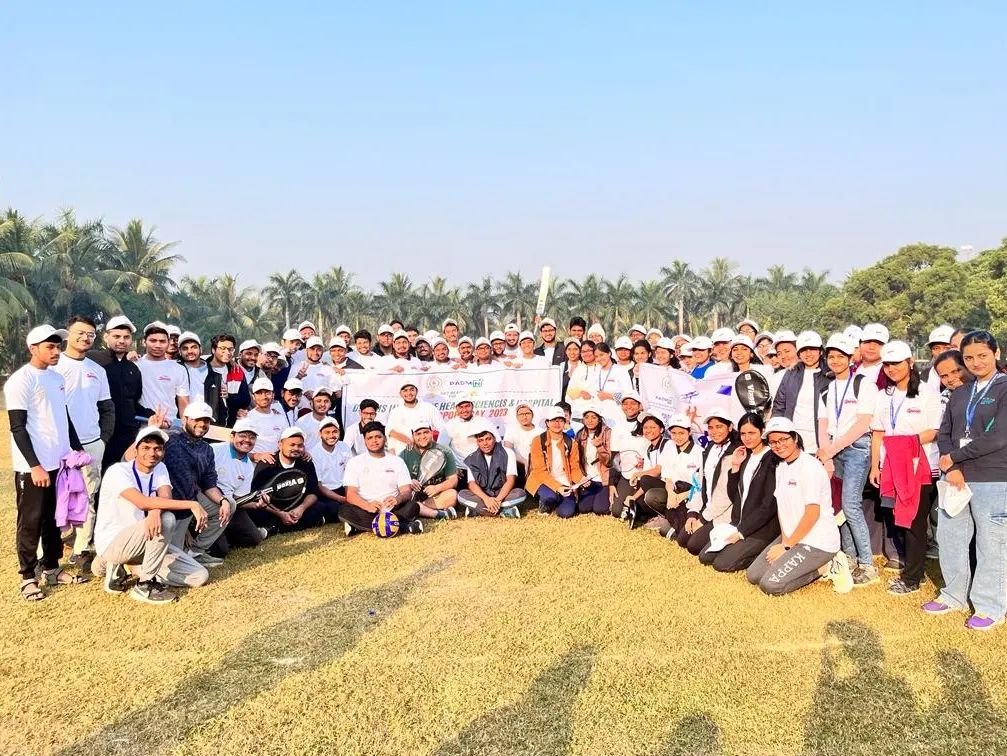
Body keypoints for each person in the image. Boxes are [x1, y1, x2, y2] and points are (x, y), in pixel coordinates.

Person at [929, 331, 1007, 630]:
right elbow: (945, 432)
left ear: (996, 353)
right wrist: (951, 465)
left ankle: (989, 606)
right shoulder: (961, 392)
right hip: (957, 477)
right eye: (970, 357)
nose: (975, 362)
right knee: (951, 538)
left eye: (982, 355)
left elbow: (999, 436)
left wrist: (956, 457)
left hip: (993, 477)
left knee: (992, 544)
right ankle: (953, 596)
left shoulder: (1003, 387)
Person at [7, 324, 87, 601]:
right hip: (34, 467)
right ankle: (28, 576)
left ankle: (51, 567)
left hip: (60, 463)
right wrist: (35, 465)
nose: (56, 351)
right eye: (50, 347)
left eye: (57, 346)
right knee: (30, 521)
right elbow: (17, 427)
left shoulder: (55, 378)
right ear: (33, 349)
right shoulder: (21, 380)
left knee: (55, 518)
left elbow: (63, 415)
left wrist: (77, 449)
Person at [91, 426, 210, 604]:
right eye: (146, 448)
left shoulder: (160, 468)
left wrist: (154, 511)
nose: (152, 453)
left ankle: (128, 566)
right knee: (167, 519)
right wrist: (191, 503)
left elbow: (165, 497)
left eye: (157, 448)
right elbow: (141, 501)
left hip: (146, 538)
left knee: (199, 576)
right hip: (114, 541)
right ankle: (145, 584)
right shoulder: (118, 471)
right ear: (136, 449)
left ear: (163, 452)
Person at [869, 340, 941, 596]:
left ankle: (913, 577)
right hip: (890, 469)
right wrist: (875, 466)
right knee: (900, 519)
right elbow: (878, 433)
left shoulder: (927, 392)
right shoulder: (882, 395)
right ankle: (912, 570)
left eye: (896, 363)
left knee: (914, 523)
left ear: (910, 363)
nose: (891, 368)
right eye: (887, 364)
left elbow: (933, 431)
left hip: (919, 467)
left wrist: (903, 444)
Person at [746, 417, 850, 596]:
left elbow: (812, 514)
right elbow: (782, 508)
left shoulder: (810, 467)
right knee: (753, 575)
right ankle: (801, 556)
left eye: (783, 439)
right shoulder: (781, 467)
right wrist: (785, 540)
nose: (778, 445)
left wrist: (786, 547)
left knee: (770, 585)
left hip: (817, 542)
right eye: (773, 442)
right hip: (793, 538)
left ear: (795, 438)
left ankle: (827, 566)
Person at [815, 334, 880, 586]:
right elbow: (822, 424)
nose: (835, 361)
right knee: (839, 506)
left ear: (850, 357)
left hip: (856, 448)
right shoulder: (827, 388)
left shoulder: (863, 384)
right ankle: (849, 558)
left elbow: (864, 422)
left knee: (851, 504)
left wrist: (831, 450)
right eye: (831, 356)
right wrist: (825, 452)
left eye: (840, 356)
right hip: (833, 450)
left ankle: (867, 565)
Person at [54, 315, 114, 570]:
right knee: (54, 497)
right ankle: (48, 548)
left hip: (91, 443)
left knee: (88, 496)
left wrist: (102, 439)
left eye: (90, 334)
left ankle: (81, 548)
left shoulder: (97, 370)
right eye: (80, 332)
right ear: (69, 334)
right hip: (57, 444)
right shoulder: (54, 366)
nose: (85, 337)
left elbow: (107, 408)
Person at [698, 413, 781, 572]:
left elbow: (768, 506)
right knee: (705, 556)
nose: (747, 438)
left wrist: (742, 532)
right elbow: (733, 495)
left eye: (752, 433)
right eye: (743, 433)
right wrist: (735, 467)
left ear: (762, 431)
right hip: (738, 523)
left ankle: (760, 551)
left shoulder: (771, 459)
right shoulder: (745, 455)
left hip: (761, 529)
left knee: (722, 564)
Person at [159, 402, 235, 568]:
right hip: (167, 503)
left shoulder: (206, 449)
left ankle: (196, 551)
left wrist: (222, 501)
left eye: (206, 420)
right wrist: (156, 428)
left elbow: (209, 483)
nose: (202, 424)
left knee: (230, 504)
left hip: (191, 498)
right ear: (185, 419)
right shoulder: (169, 439)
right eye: (198, 419)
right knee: (170, 561)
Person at [248, 427, 339, 533]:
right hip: (273, 508)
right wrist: (280, 513)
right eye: (292, 445)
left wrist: (301, 509)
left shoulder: (306, 462)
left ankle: (275, 529)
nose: (296, 448)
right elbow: (257, 496)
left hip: (297, 506)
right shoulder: (267, 463)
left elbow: (313, 492)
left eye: (300, 445)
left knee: (329, 507)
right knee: (255, 513)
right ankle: (307, 522)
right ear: (280, 445)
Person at [341, 421, 423, 536]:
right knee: (344, 510)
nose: (374, 441)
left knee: (413, 506)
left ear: (384, 438)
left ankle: (361, 527)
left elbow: (406, 491)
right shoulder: (354, 462)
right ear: (364, 441)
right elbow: (350, 494)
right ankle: (404, 526)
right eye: (369, 438)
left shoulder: (397, 461)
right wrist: (367, 506)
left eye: (378, 437)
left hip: (393, 510)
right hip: (366, 510)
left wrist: (398, 499)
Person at [677, 412, 739, 555]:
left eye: (719, 427)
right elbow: (700, 484)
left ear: (730, 427)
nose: (714, 431)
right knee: (682, 540)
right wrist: (693, 513)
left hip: (724, 513)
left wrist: (703, 519)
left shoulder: (735, 452)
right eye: (711, 428)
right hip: (707, 508)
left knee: (693, 546)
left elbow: (726, 495)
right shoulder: (710, 448)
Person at [90, 315, 144, 470]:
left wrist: (151, 414)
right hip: (99, 433)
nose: (121, 341)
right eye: (116, 336)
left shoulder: (133, 369)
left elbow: (133, 402)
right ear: (106, 337)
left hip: (127, 434)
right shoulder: (92, 360)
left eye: (126, 337)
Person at [211, 418, 271, 549]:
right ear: (232, 436)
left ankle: (224, 534)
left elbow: (239, 498)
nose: (247, 440)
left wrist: (257, 505)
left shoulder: (249, 466)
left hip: (231, 507)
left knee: (254, 538)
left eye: (252, 437)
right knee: (221, 550)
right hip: (210, 504)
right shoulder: (215, 450)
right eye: (242, 435)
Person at [771, 331, 828, 452]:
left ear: (820, 351)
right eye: (803, 350)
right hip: (793, 440)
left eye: (812, 349)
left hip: (820, 441)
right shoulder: (791, 373)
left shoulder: (829, 375)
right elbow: (779, 406)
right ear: (799, 353)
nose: (808, 354)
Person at [652, 414, 703, 540]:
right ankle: (670, 521)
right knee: (652, 496)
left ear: (689, 432)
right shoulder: (669, 450)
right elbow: (668, 478)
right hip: (675, 494)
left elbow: (700, 485)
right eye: (674, 433)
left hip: (693, 496)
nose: (677, 437)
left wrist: (681, 496)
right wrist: (671, 494)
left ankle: (675, 526)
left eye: (681, 433)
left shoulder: (700, 453)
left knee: (683, 535)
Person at [459, 423, 526, 517]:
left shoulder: (508, 453)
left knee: (520, 493)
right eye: (481, 440)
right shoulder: (472, 457)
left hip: (503, 494)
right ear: (477, 442)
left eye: (488, 439)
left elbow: (511, 480)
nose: (485, 444)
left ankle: (479, 510)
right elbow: (472, 484)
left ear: (494, 439)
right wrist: (486, 499)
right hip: (483, 496)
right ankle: (504, 510)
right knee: (462, 495)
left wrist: (498, 500)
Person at [526, 406, 582, 517]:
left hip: (564, 480)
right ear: (547, 422)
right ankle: (545, 502)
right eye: (553, 420)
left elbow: (574, 467)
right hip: (542, 480)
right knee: (550, 496)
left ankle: (557, 500)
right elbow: (539, 471)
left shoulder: (571, 442)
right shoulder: (538, 441)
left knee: (567, 513)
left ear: (565, 422)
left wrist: (581, 479)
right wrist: (557, 487)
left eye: (560, 420)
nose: (557, 423)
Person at [400, 422, 459, 520]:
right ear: (413, 436)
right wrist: (409, 481)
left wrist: (437, 488)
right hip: (412, 495)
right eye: (418, 434)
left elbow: (453, 480)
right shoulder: (405, 453)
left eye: (426, 432)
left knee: (452, 495)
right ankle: (424, 510)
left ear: (431, 433)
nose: (422, 436)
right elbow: (396, 479)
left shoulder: (444, 451)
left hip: (433, 496)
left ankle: (417, 508)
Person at [620, 413, 670, 528]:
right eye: (646, 427)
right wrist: (633, 498)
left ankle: (666, 516)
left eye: (653, 427)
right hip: (656, 488)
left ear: (662, 429)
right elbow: (647, 478)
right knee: (639, 515)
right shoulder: (649, 449)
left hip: (670, 488)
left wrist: (637, 474)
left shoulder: (668, 444)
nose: (648, 430)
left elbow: (656, 471)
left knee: (645, 479)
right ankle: (653, 514)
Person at [136, 321, 190, 423]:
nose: (158, 345)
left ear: (168, 342)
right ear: (144, 342)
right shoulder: (135, 366)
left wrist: (184, 426)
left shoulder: (179, 369)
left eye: (162, 341)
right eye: (153, 340)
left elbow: (183, 402)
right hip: (142, 423)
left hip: (171, 425)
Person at [572, 406, 613, 516]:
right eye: (587, 417)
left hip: (603, 479)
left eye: (594, 417)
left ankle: (609, 498)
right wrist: (580, 478)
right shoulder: (580, 434)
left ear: (599, 419)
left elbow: (608, 462)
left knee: (600, 510)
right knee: (583, 508)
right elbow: (576, 460)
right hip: (588, 480)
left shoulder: (608, 433)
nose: (590, 420)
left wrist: (599, 447)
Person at [385, 381, 444, 454]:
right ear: (400, 394)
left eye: (412, 390)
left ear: (416, 391)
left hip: (427, 455)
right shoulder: (395, 412)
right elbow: (390, 432)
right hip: (402, 454)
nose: (409, 393)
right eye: (405, 390)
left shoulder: (429, 408)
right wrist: (409, 442)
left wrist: (439, 450)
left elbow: (442, 429)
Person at [310, 416, 353, 515]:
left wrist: (349, 495)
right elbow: (320, 486)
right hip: (327, 492)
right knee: (333, 508)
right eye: (327, 432)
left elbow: (350, 474)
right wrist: (341, 499)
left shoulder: (344, 447)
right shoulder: (314, 453)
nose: (332, 435)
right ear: (320, 434)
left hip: (344, 488)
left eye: (334, 432)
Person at [244, 377, 287, 457]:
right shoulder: (246, 419)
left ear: (273, 395)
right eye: (259, 393)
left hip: (276, 465)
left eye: (267, 392)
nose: (264, 397)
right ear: (253, 396)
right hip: (253, 467)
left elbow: (287, 442)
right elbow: (237, 448)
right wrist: (257, 456)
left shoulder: (281, 418)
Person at [503, 403, 540, 482]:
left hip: (537, 466)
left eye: (527, 413)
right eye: (521, 414)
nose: (524, 417)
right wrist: (524, 462)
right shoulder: (511, 429)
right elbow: (507, 449)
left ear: (532, 415)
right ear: (517, 417)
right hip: (518, 465)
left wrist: (531, 464)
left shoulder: (540, 431)